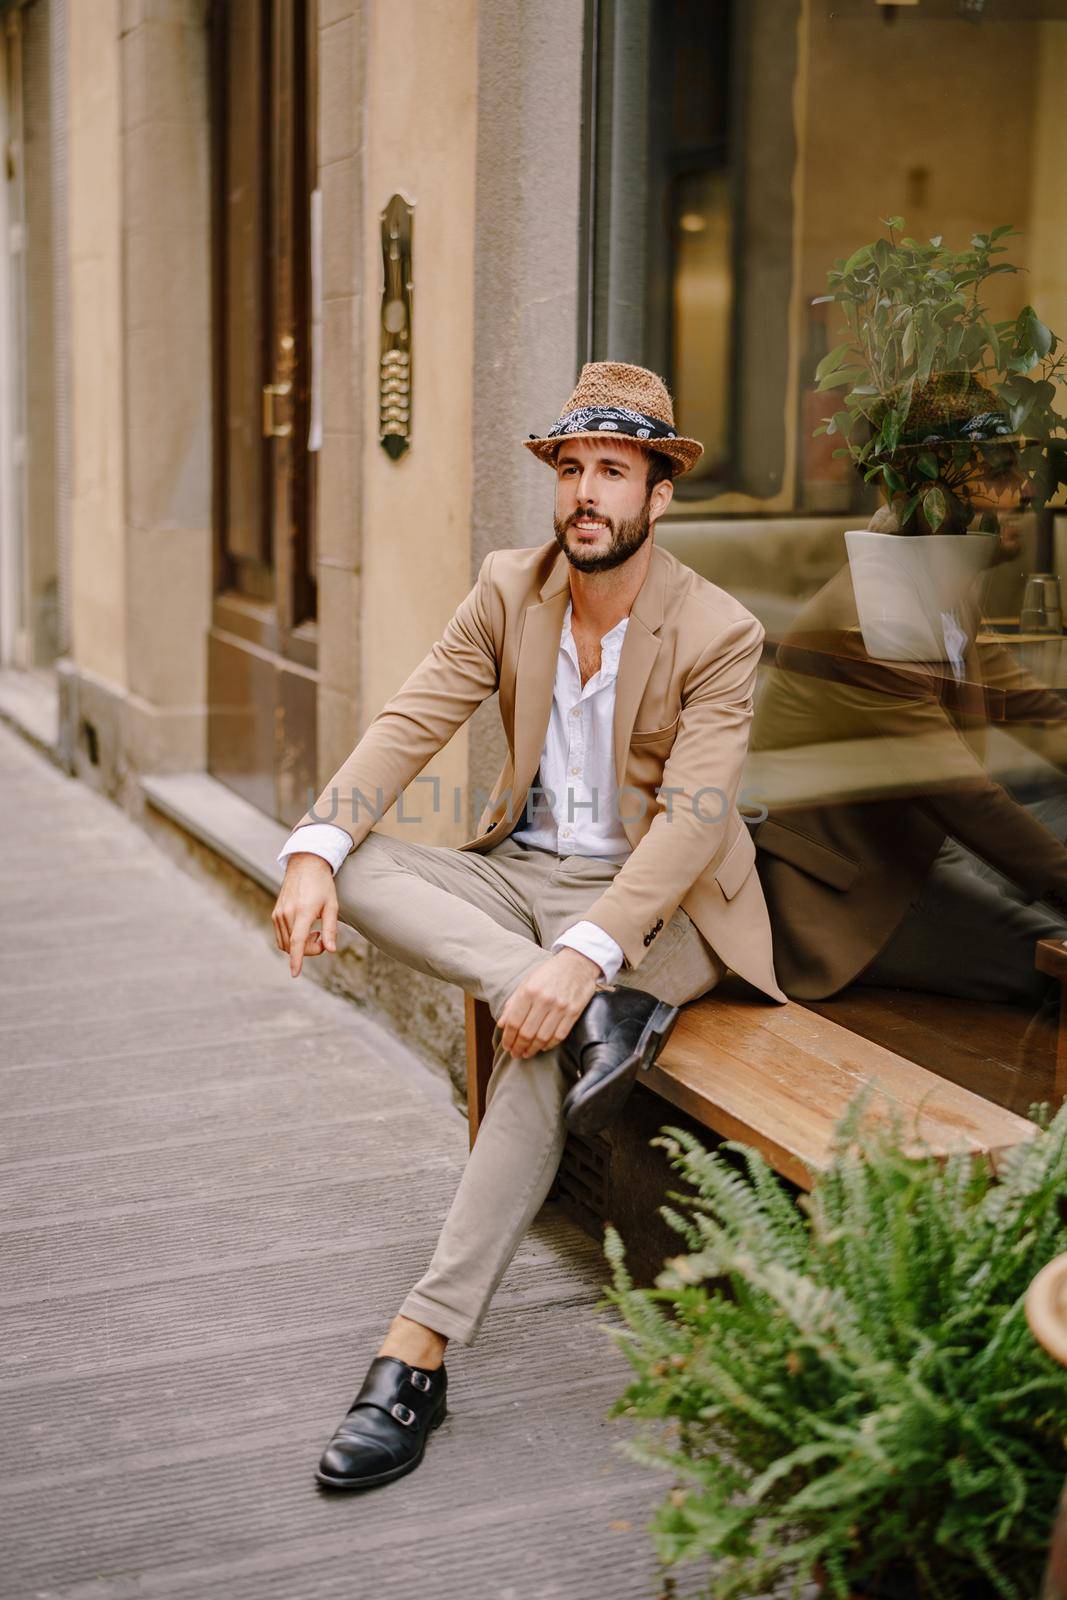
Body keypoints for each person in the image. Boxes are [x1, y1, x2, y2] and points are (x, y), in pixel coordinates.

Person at [271, 361, 784, 1491]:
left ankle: (416, 1348)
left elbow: (694, 822)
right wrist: (312, 847)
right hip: (523, 876)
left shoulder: (718, 630)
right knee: (353, 866)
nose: (584, 493)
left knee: (540, 1041)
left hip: (666, 910)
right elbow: (411, 718)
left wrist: (583, 955)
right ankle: (585, 1007)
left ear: (657, 495)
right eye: (569, 469)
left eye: (612, 470)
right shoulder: (511, 588)